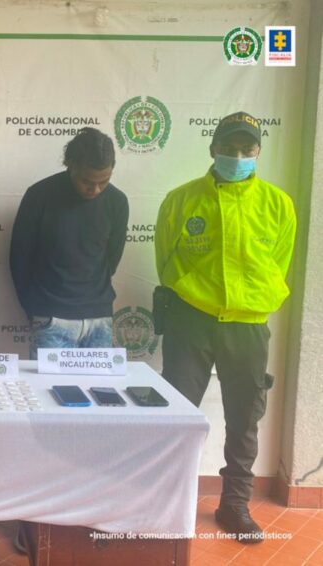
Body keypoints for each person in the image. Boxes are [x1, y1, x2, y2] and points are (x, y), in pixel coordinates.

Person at [155, 111, 296, 544]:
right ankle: (164, 503)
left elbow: (279, 265)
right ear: (212, 147)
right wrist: (194, 297)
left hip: (248, 327)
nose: (237, 156)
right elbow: (167, 261)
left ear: (257, 151)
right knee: (176, 415)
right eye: (229, 148)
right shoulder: (181, 200)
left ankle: (234, 506)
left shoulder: (277, 204)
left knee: (244, 419)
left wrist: (250, 303)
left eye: (246, 149)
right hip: (191, 323)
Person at [10, 127, 129, 359]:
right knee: (48, 393)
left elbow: (112, 258)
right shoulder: (39, 196)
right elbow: (20, 258)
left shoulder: (117, 201)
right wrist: (35, 309)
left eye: (104, 181)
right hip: (51, 318)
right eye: (87, 181)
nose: (95, 189)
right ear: (70, 164)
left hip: (99, 319)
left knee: (99, 394)